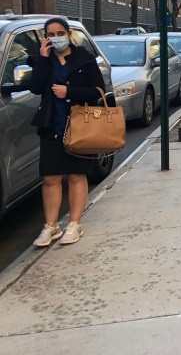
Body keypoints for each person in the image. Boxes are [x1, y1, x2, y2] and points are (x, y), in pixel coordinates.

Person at [28, 17, 109, 248]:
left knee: (75, 175)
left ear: (69, 34)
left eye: (60, 33)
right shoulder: (44, 60)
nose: (56, 38)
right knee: (50, 177)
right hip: (50, 124)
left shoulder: (84, 59)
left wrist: (70, 92)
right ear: (46, 37)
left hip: (78, 126)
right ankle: (51, 226)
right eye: (51, 34)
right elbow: (35, 88)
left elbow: (97, 90)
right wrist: (43, 59)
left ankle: (74, 223)